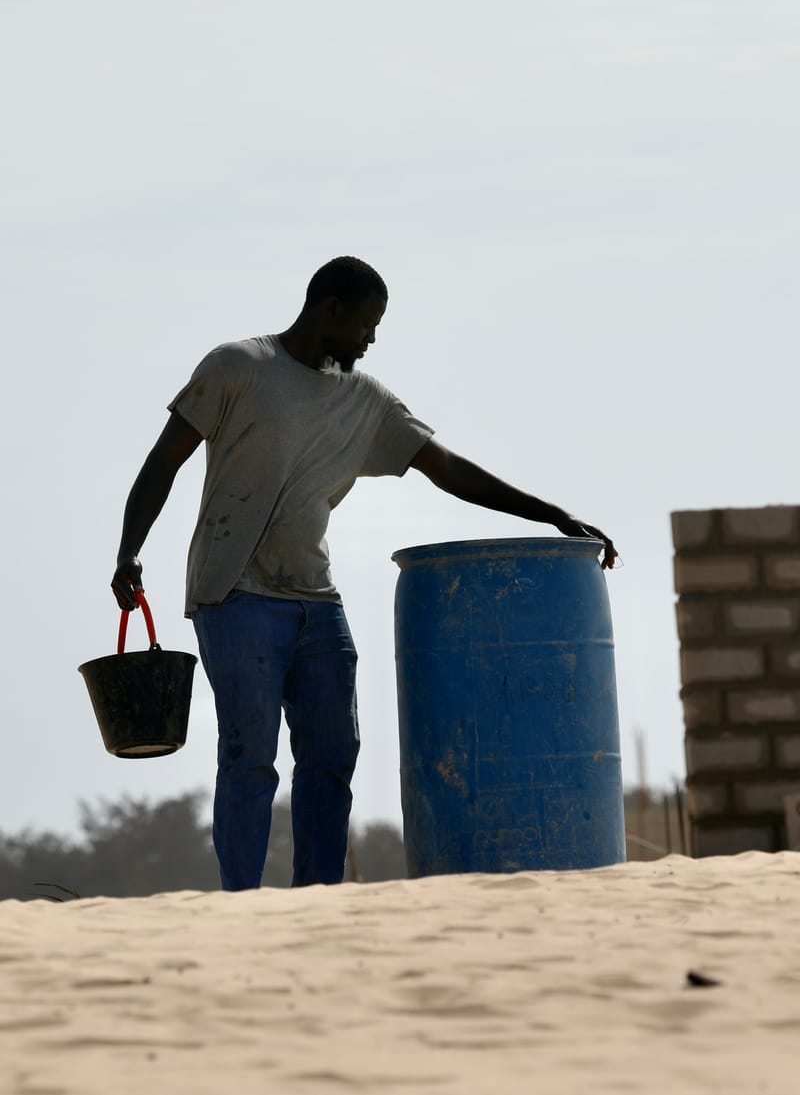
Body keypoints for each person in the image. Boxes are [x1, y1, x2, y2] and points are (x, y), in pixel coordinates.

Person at [111, 255, 617, 890]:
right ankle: (240, 902)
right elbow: (164, 461)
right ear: (331, 311)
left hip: (316, 601)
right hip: (235, 595)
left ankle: (317, 897)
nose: (372, 339)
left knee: (332, 755)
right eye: (366, 324)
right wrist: (129, 551)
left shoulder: (367, 400)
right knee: (250, 758)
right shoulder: (236, 367)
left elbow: (447, 467)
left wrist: (555, 516)